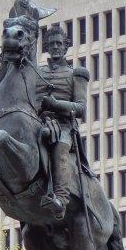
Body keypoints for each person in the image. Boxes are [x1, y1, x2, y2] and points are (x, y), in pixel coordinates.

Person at [37, 24, 88, 220]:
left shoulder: (77, 74)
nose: (55, 47)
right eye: (51, 44)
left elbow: (81, 108)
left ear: (65, 46)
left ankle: (61, 198)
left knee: (59, 147)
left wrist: (55, 104)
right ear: (47, 48)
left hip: (64, 125)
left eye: (59, 43)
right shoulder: (38, 73)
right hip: (39, 121)